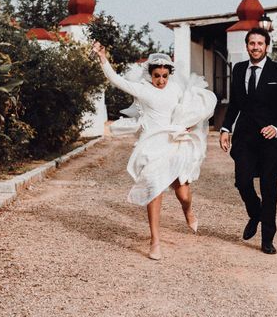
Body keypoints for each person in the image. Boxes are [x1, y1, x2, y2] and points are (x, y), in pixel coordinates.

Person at [90, 42, 217, 260]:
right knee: (154, 188)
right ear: (150, 74)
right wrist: (103, 58)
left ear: (170, 75)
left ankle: (188, 211)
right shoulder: (143, 90)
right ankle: (155, 240)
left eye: (164, 76)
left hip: (175, 146)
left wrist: (188, 124)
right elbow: (116, 80)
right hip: (152, 147)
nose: (161, 80)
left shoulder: (176, 89)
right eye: (157, 75)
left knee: (183, 193)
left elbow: (189, 110)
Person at [219, 28, 277, 255]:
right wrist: (225, 128)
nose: (256, 47)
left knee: (269, 187)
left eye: (260, 43)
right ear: (247, 45)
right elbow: (235, 106)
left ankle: (267, 238)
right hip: (245, 138)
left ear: (267, 46)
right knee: (242, 181)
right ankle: (255, 213)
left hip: (270, 140)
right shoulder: (239, 70)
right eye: (252, 43)